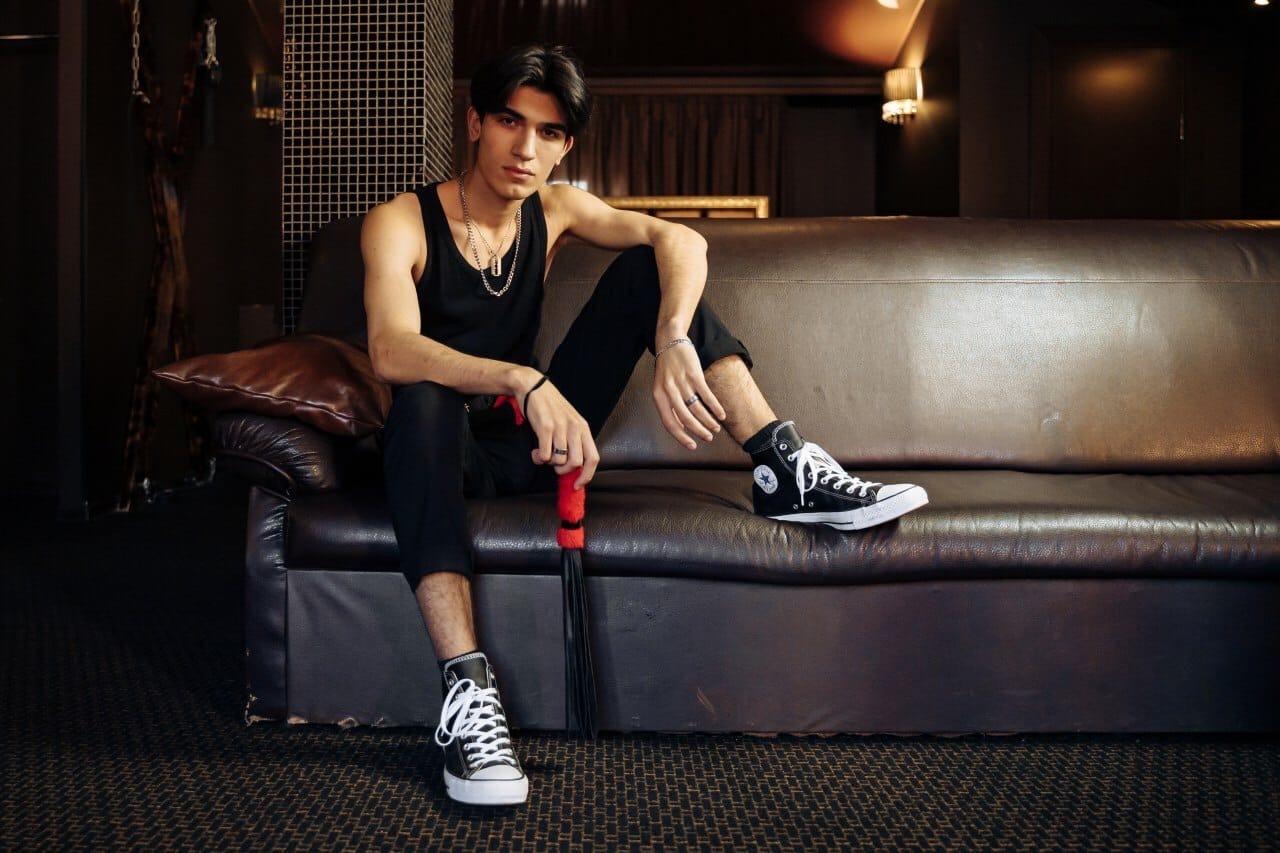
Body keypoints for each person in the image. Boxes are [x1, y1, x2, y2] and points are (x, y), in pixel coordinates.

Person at [360, 42, 929, 806]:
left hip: (536, 443)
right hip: (438, 453)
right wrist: (522, 378)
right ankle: (469, 694)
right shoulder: (401, 221)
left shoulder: (555, 210)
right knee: (423, 398)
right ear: (475, 123)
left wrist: (673, 338)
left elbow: (682, 240)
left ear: (566, 146)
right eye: (509, 121)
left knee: (643, 272)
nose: (526, 148)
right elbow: (391, 349)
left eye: (549, 132)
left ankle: (780, 464)